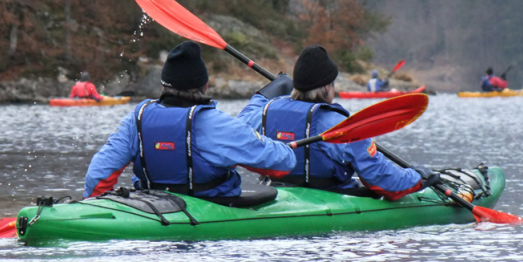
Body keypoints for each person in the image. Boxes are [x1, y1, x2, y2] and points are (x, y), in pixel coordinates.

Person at [83, 41, 296, 199]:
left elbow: (98, 176)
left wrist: (93, 209)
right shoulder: (217, 124)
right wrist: (281, 146)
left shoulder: (135, 119)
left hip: (147, 209)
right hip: (209, 215)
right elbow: (283, 163)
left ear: (164, 86)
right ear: (205, 87)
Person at [238, 44, 440, 200]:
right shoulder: (338, 123)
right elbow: (383, 181)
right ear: (327, 89)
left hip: (278, 193)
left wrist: (275, 87)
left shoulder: (264, 111)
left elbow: (242, 121)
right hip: (330, 198)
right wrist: (417, 177)